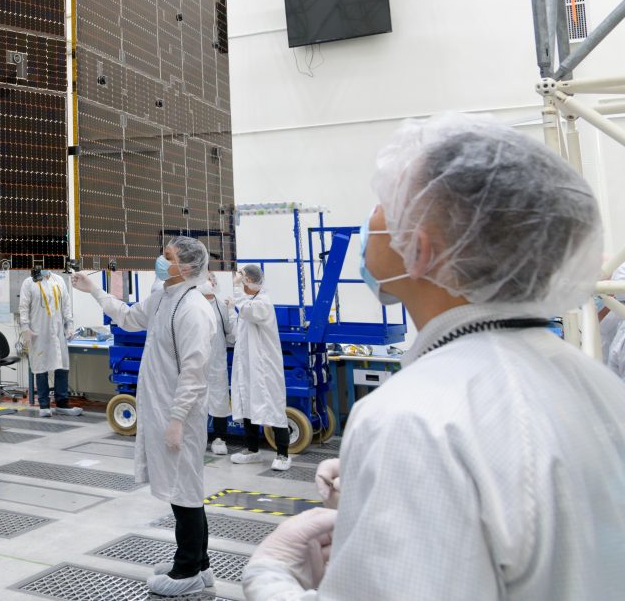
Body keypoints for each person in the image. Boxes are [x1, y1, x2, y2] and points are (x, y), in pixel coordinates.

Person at [243, 114, 625, 600]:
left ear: (420, 250)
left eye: (386, 204)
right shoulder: (597, 385)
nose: (371, 219)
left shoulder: (415, 418)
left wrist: (271, 576)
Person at [73, 238, 217, 596]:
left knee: (185, 493)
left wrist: (177, 419)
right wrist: (93, 290)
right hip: (163, 411)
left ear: (186, 266)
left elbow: (194, 372)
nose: (159, 261)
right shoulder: (164, 298)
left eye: (167, 257)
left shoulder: (193, 309)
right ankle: (199, 566)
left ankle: (188, 574)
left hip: (179, 415)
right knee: (183, 492)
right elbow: (126, 316)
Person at [228, 264, 291, 472]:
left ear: (249, 281)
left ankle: (283, 454)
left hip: (264, 368)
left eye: (241, 277)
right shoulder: (249, 301)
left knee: (272, 406)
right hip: (247, 366)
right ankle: (252, 450)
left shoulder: (262, 303)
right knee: (247, 404)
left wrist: (236, 292)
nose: (238, 279)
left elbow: (247, 311)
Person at [19, 267, 82, 417]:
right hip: (38, 332)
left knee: (62, 365)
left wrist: (70, 325)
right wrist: (25, 327)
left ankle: (62, 403)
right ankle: (44, 405)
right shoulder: (29, 283)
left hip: (58, 331)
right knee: (41, 367)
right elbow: (23, 307)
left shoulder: (59, 280)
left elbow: (66, 305)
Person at [202, 274, 235, 455]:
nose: (211, 282)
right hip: (195, 361)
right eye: (207, 278)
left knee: (219, 399)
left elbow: (231, 334)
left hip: (216, 361)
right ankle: (197, 438)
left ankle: (219, 438)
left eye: (212, 279)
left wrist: (232, 311)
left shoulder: (222, 305)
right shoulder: (192, 303)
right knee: (194, 400)